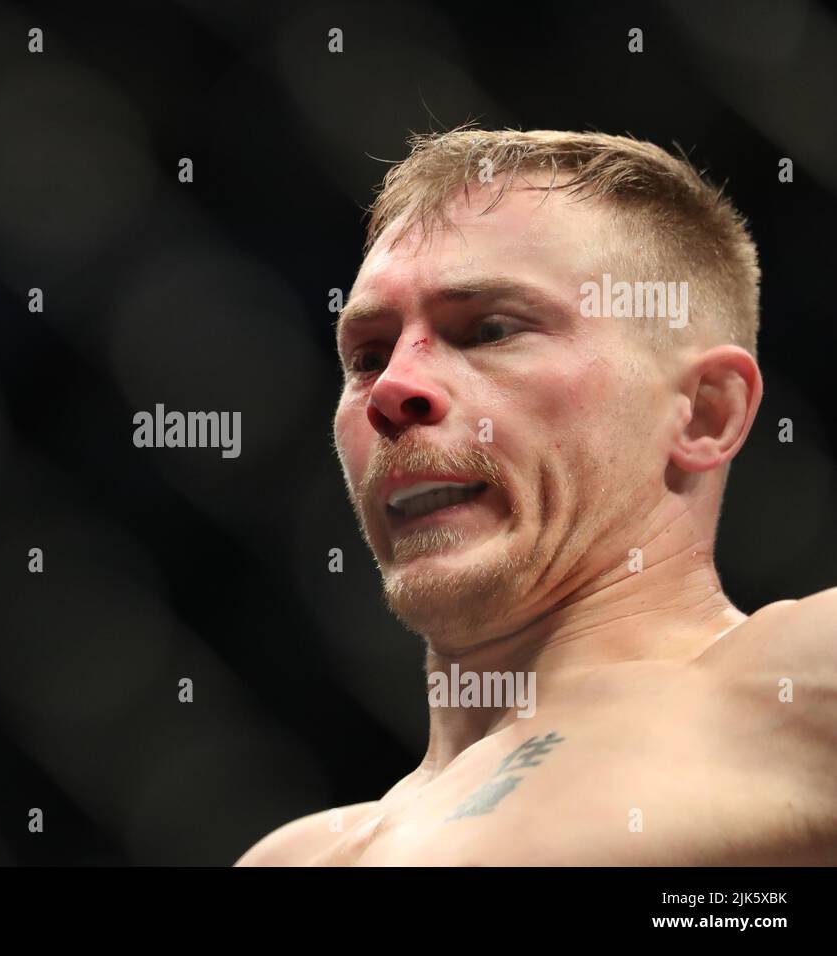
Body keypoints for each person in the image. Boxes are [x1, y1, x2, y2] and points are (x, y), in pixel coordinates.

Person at [236, 128, 836, 866]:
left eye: (489, 330)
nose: (392, 389)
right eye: (367, 356)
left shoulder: (797, 677)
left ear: (704, 411)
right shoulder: (293, 857)